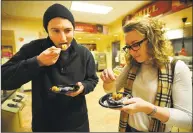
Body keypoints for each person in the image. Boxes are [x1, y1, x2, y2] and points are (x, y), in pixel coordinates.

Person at [2, 3, 99, 132]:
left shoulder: (84, 53)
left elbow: (92, 79)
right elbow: (3, 78)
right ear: (47, 30)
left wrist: (83, 87)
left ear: (73, 29)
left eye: (68, 30)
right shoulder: (34, 48)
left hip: (77, 122)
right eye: (56, 31)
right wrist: (37, 62)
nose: (63, 38)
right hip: (44, 123)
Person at [100, 17, 192, 132]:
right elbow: (111, 91)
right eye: (128, 47)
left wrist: (149, 109)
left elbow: (188, 120)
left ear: (152, 40)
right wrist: (109, 82)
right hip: (128, 128)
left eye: (135, 44)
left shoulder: (176, 67)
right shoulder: (132, 65)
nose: (131, 52)